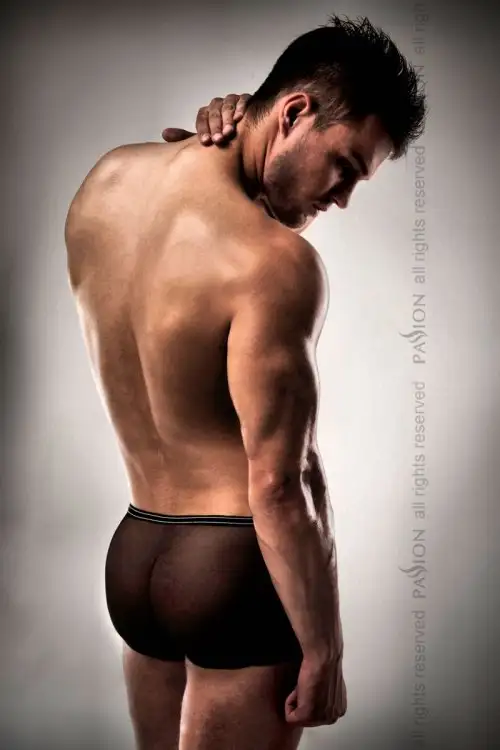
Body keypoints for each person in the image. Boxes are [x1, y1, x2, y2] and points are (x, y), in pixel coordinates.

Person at [64, 14, 426, 750]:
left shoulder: (104, 180)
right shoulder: (274, 264)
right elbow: (280, 483)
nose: (342, 198)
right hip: (231, 572)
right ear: (293, 113)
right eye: (345, 167)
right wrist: (325, 651)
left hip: (135, 554)